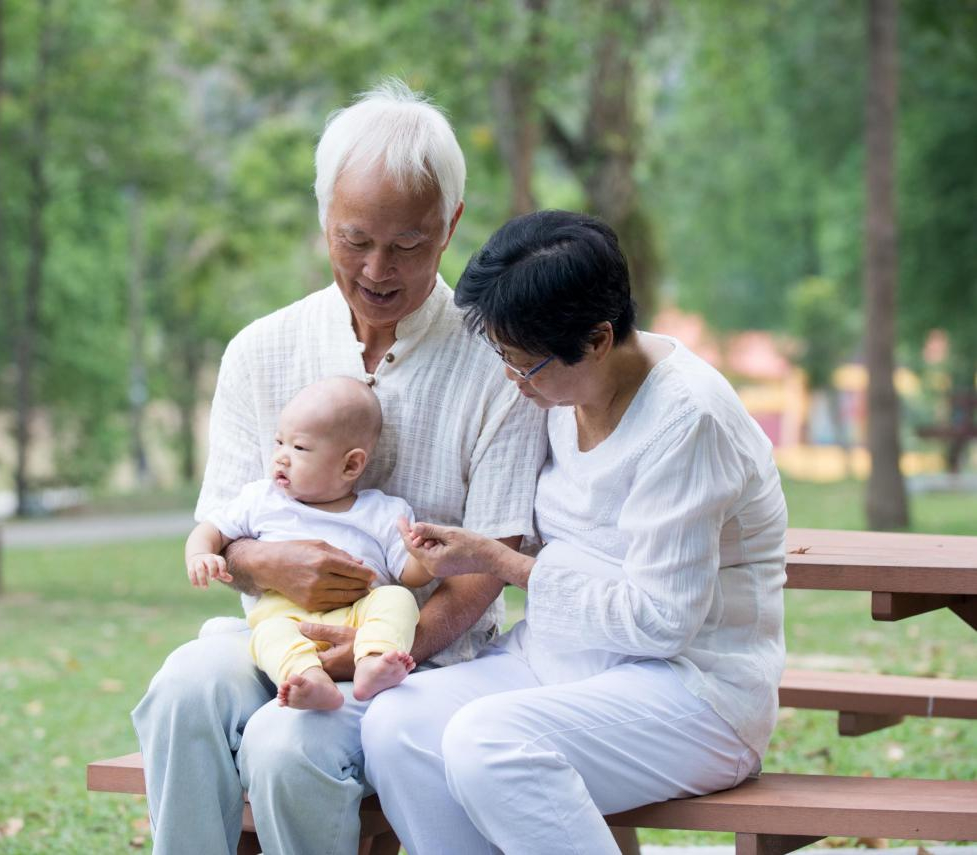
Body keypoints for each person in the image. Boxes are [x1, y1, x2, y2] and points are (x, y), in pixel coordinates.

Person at [131, 80, 546, 855]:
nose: (378, 269)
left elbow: (482, 572)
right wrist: (267, 559)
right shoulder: (261, 349)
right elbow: (223, 526)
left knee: (286, 747)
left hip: (417, 660)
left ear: (451, 224)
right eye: (355, 240)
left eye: (410, 244)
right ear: (325, 218)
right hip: (272, 630)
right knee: (180, 691)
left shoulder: (499, 365)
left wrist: (374, 649)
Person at [361, 210, 789, 854]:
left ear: (596, 339)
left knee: (488, 743)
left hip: (693, 692)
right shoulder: (561, 396)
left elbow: (661, 622)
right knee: (398, 724)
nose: (512, 380)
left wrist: (504, 565)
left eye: (525, 365)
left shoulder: (687, 422)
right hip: (564, 664)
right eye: (502, 358)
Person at [185, 376, 434, 711]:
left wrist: (424, 556)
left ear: (351, 464)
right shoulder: (262, 500)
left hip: (357, 619)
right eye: (279, 442)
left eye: (299, 448)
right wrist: (201, 554)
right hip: (287, 617)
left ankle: (374, 661)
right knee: (267, 634)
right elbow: (211, 529)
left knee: (398, 599)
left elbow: (411, 576)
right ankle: (309, 680)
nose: (282, 457)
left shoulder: (382, 512)